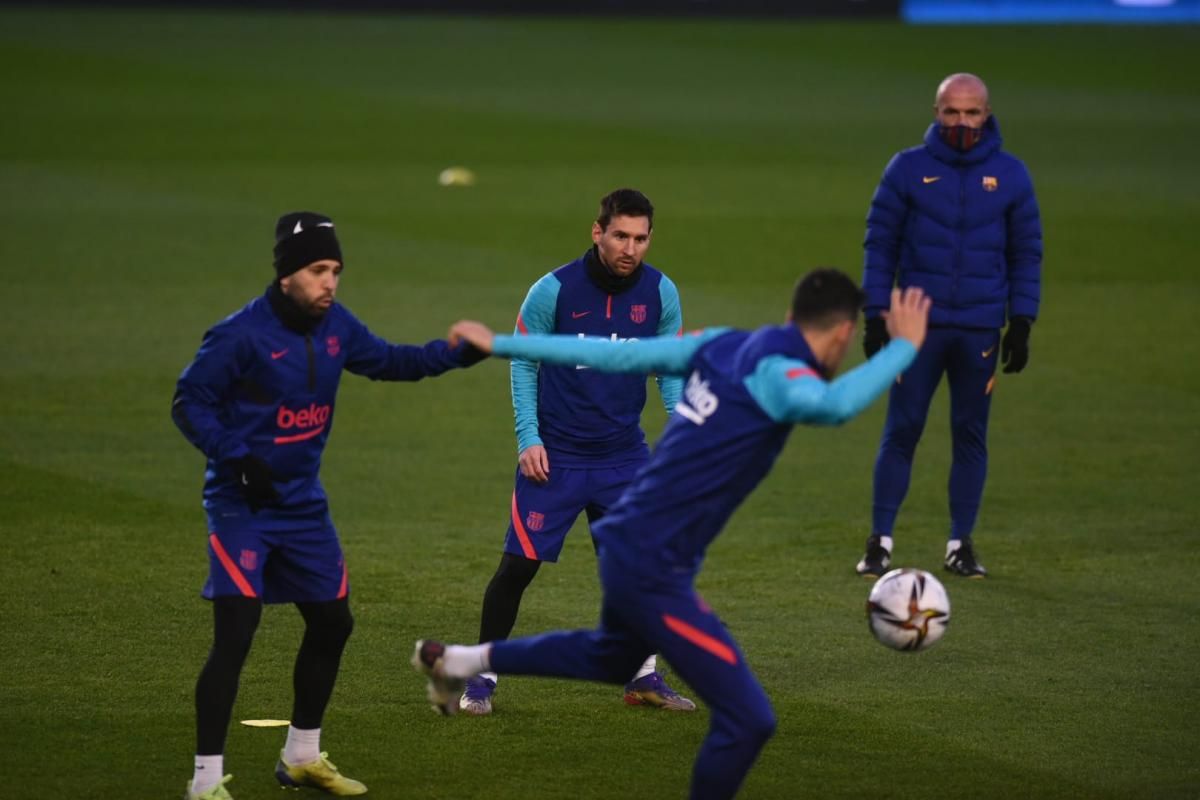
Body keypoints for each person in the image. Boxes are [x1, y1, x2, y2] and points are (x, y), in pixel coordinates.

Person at [414, 270, 932, 800]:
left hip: (629, 540)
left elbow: (614, 355)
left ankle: (462, 661)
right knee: (750, 720)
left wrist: (500, 342)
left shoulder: (721, 343)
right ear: (843, 333)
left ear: (789, 316)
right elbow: (835, 405)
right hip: (651, 564)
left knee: (612, 658)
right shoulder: (781, 377)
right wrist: (904, 348)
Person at [171, 211, 483, 800]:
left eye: (336, 270)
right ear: (287, 273)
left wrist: (455, 355)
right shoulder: (240, 334)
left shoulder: (336, 326)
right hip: (242, 506)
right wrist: (235, 456)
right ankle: (204, 783)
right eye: (318, 270)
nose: (330, 282)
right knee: (236, 635)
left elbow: (393, 362)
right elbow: (189, 402)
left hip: (302, 506)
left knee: (333, 621)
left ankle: (301, 757)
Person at [459, 188, 693, 715]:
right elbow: (523, 362)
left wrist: (680, 430)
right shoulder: (554, 290)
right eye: (620, 236)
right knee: (517, 569)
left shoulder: (661, 293)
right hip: (556, 460)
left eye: (640, 238)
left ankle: (644, 677)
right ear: (597, 232)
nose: (630, 248)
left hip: (624, 458)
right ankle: (481, 676)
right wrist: (529, 439)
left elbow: (670, 368)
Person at [856, 72, 1043, 579]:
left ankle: (960, 543)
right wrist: (876, 316)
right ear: (936, 113)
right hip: (918, 327)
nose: (961, 122)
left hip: (980, 326)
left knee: (970, 433)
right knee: (903, 429)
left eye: (971, 113)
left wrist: (1022, 320)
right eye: (951, 112)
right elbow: (880, 243)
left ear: (987, 114)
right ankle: (880, 542)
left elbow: (1026, 253)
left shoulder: (1011, 176)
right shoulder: (907, 169)